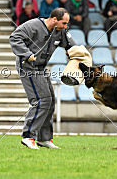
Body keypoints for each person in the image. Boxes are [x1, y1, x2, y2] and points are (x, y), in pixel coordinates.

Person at [9, 8, 76, 150]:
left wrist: (77, 55)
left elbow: (72, 46)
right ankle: (28, 136)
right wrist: (27, 54)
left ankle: (44, 139)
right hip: (27, 66)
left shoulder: (60, 31)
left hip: (41, 67)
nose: (65, 27)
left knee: (50, 100)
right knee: (41, 100)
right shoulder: (33, 26)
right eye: (64, 23)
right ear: (54, 19)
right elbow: (14, 37)